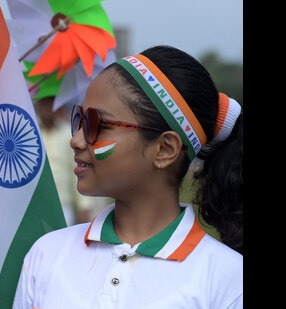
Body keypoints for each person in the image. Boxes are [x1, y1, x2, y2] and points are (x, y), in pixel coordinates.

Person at [12, 45, 243, 308]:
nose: (75, 140)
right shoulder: (47, 255)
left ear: (165, 149)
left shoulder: (228, 281)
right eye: (79, 120)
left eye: (97, 125)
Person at [35, 96, 113, 225]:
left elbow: (77, 167)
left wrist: (84, 206)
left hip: (63, 203)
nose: (47, 110)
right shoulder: (31, 133)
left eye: (51, 105)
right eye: (44, 105)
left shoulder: (67, 133)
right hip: (38, 204)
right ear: (38, 106)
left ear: (57, 107)